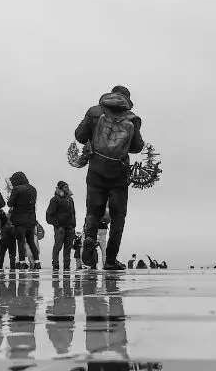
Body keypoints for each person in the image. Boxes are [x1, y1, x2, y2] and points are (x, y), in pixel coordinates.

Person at [75, 85, 144, 271]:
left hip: (96, 169)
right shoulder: (132, 117)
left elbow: (79, 136)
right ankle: (111, 260)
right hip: (119, 173)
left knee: (93, 211)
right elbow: (137, 147)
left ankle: (89, 237)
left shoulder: (94, 112)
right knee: (118, 216)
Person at [8, 172, 41, 269]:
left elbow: (10, 203)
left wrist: (10, 199)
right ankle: (37, 262)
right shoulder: (33, 189)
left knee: (21, 241)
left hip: (19, 219)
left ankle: (22, 262)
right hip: (31, 218)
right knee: (31, 241)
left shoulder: (17, 189)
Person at [46, 181, 77, 271]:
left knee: (68, 248)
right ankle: (55, 265)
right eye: (65, 187)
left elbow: (73, 213)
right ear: (60, 189)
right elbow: (49, 214)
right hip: (60, 228)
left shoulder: (70, 200)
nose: (67, 188)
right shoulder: (55, 199)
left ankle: (66, 266)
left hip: (70, 228)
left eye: (67, 187)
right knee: (57, 247)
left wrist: (73, 225)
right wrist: (57, 225)